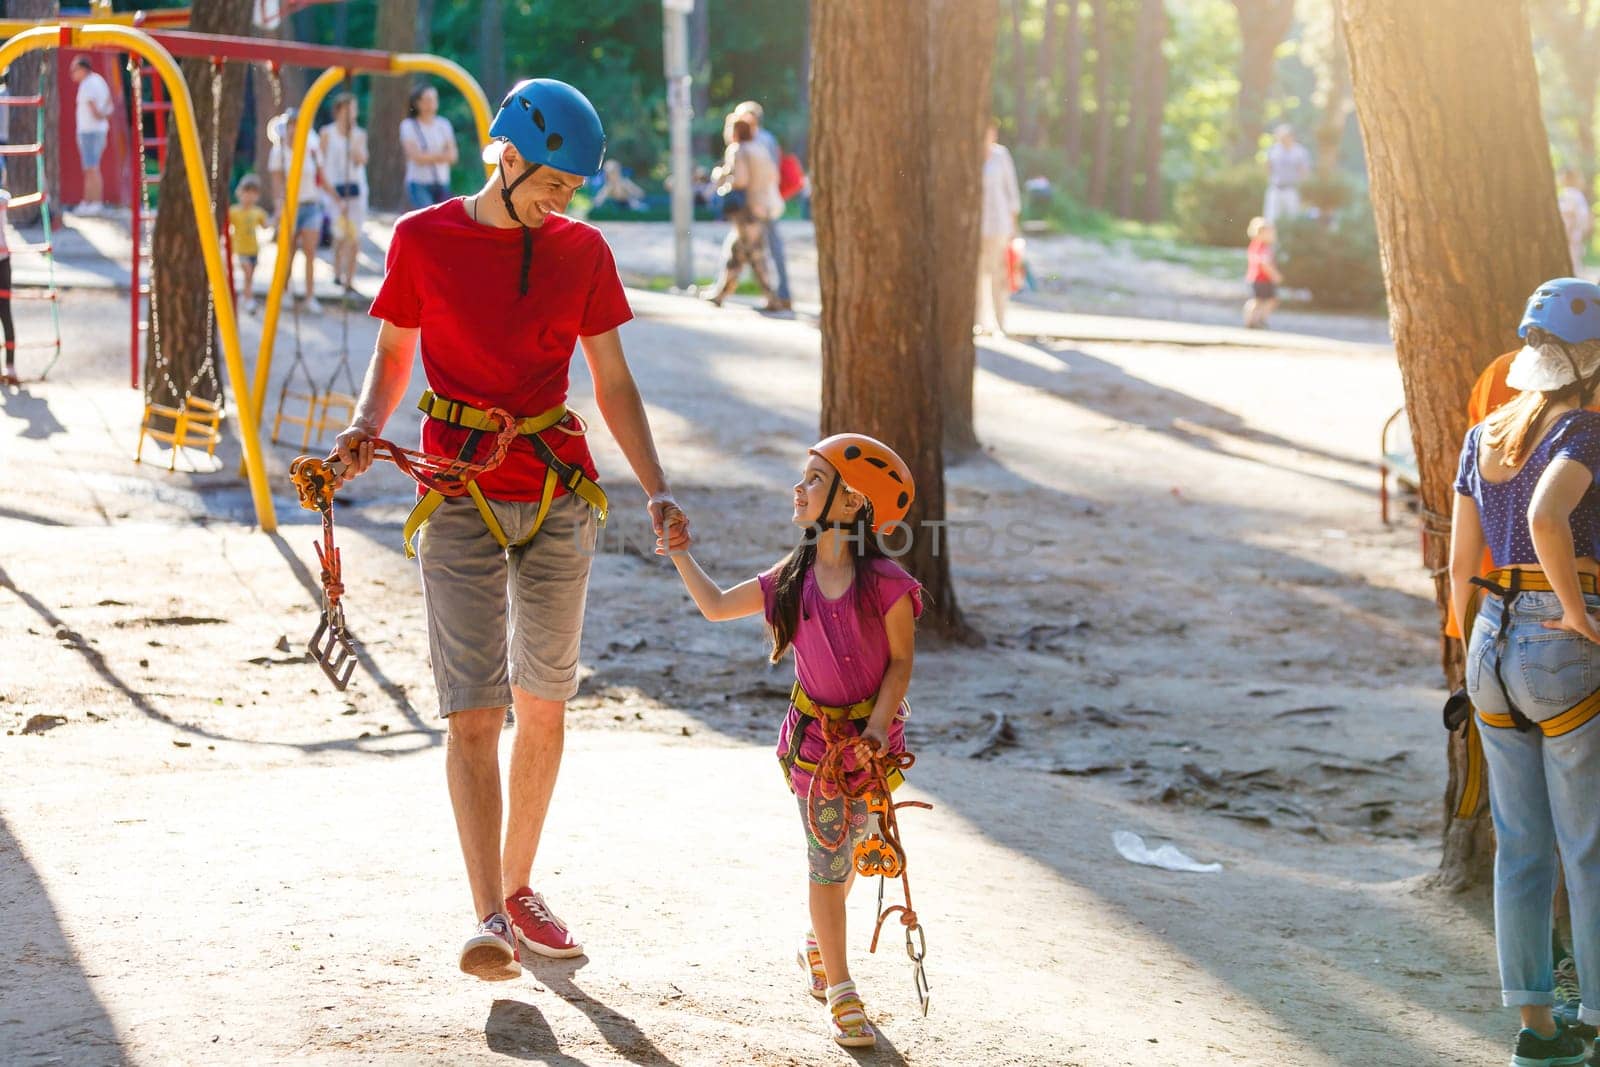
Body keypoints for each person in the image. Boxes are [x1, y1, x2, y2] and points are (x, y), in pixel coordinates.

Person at [332, 77, 689, 981]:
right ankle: (486, 910)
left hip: (561, 488)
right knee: (473, 712)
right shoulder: (423, 239)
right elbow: (392, 355)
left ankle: (520, 886)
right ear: (508, 153)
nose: (559, 201)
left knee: (545, 702)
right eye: (551, 183)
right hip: (457, 492)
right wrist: (364, 432)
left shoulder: (583, 251)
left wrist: (656, 486)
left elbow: (612, 383)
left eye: (571, 190)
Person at [665, 434, 921, 1051]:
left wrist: (879, 729)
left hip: (872, 748)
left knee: (856, 846)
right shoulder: (791, 578)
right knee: (828, 860)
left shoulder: (888, 584)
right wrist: (679, 554)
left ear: (853, 499)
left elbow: (901, 663)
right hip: (813, 749)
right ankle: (841, 988)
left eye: (811, 479)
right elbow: (717, 605)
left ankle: (817, 938)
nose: (798, 489)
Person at [1450, 277, 1600, 1067]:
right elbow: (1547, 516)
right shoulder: (1587, 432)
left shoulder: (1487, 434)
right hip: (1558, 644)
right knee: (1589, 846)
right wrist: (1576, 613)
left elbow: (1457, 564)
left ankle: (1540, 1031)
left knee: (1521, 847)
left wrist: (1472, 639)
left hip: (1488, 647)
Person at [705, 115, 779, 308]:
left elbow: (740, 180)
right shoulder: (760, 149)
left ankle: (772, 297)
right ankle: (721, 293)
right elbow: (773, 175)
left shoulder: (738, 150)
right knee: (737, 251)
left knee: (754, 254)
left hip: (746, 209)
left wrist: (721, 176)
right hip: (761, 206)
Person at [267, 108, 329, 312]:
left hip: (310, 203)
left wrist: (336, 198)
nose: (295, 129)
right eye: (292, 125)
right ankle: (284, 291)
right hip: (290, 206)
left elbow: (320, 175)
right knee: (289, 251)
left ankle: (310, 296)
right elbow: (276, 182)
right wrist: (278, 206)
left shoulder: (311, 147)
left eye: (298, 124)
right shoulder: (279, 151)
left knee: (310, 251)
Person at [733, 100, 791, 312]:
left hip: (757, 204)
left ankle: (779, 294)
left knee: (764, 249)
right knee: (743, 248)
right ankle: (777, 294)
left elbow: (754, 177)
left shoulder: (754, 143)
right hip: (765, 202)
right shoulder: (765, 141)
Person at [320, 92, 369, 293]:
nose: (352, 113)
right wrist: (331, 193)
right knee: (339, 233)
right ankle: (337, 273)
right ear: (339, 110)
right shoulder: (327, 133)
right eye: (349, 109)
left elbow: (361, 159)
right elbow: (321, 165)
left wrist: (353, 139)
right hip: (333, 187)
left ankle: (350, 278)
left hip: (356, 189)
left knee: (354, 235)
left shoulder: (359, 134)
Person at [976, 121, 1020, 337]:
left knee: (998, 274)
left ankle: (1000, 323)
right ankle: (978, 322)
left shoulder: (1001, 156)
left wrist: (1013, 226)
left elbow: (1011, 191)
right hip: (976, 227)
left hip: (999, 225)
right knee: (977, 276)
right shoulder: (971, 154)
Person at [400, 84, 457, 209]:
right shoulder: (409, 125)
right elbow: (416, 157)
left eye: (433, 99)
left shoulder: (444, 124)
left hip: (441, 182)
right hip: (418, 182)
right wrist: (441, 156)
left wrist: (427, 156)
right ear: (417, 103)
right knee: (427, 217)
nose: (430, 104)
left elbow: (452, 156)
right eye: (426, 100)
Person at [70, 57, 114, 216]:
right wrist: (104, 117)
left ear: (83, 68)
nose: (72, 74)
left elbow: (94, 110)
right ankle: (89, 201)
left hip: (89, 131)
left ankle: (94, 202)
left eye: (74, 70)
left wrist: (99, 116)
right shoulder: (99, 80)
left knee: (91, 168)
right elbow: (110, 102)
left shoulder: (88, 84)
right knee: (91, 167)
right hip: (98, 130)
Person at [228, 174, 270, 315]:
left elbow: (266, 226)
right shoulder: (234, 211)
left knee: (250, 277)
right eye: (247, 193)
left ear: (257, 196)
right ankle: (249, 299)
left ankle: (245, 297)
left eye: (253, 194)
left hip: (254, 249)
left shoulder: (257, 212)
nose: (249, 197)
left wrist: (278, 217)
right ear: (240, 193)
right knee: (247, 272)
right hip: (241, 249)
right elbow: (225, 223)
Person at [1264, 124, 1311, 223]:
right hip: (1275, 188)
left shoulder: (1300, 151)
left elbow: (1304, 172)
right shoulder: (1273, 150)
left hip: (1292, 190)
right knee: (1271, 219)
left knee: (1293, 219)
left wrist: (1304, 191)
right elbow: (1268, 167)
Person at [1244, 217, 1283, 329]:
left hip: (1260, 278)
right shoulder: (1260, 247)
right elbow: (1264, 264)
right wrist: (1275, 275)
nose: (1273, 236)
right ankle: (1254, 320)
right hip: (1260, 279)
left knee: (1264, 300)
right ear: (1261, 233)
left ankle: (1257, 319)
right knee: (1260, 300)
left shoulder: (1259, 246)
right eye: (1270, 233)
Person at [1559, 169, 1592, 278]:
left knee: (1573, 265)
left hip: (1571, 237)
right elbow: (1571, 216)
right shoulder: (1572, 195)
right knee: (1573, 266)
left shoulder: (1568, 194)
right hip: (1571, 237)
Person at [0, 188, 15, 385]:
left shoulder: (2, 196)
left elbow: (5, 198)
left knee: (5, 313)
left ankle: (10, 365)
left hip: (2, 261)